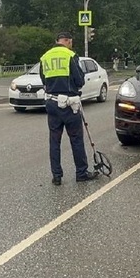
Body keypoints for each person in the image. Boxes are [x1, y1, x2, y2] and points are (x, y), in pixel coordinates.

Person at [39, 32, 99, 185]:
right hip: (69, 104)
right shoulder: (70, 55)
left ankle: (57, 176)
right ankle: (81, 173)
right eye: (70, 42)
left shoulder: (44, 57)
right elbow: (79, 80)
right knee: (76, 139)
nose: (71, 45)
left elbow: (43, 80)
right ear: (66, 41)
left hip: (52, 103)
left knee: (54, 140)